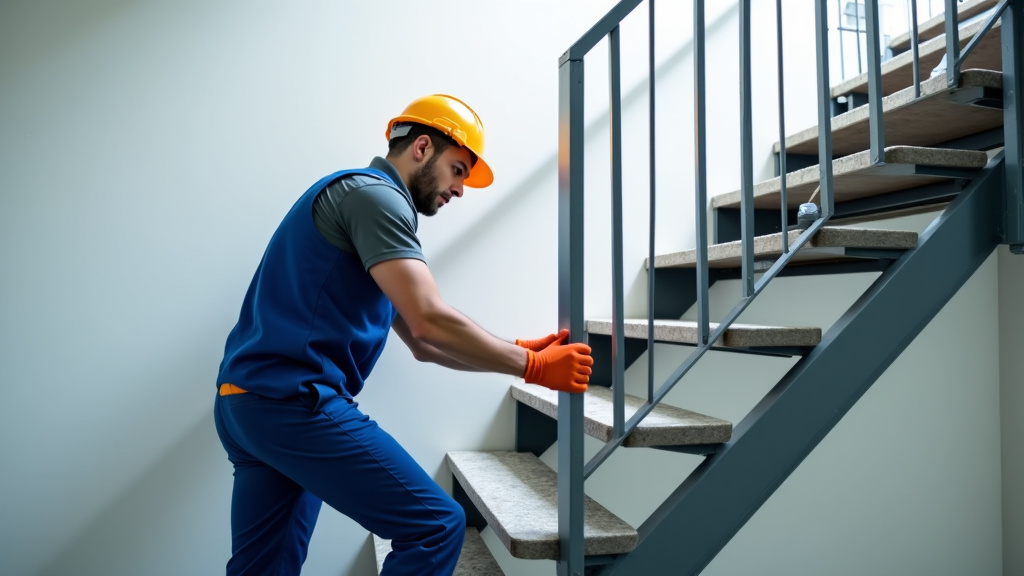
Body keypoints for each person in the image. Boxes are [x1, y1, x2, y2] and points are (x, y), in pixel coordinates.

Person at [213, 93, 593, 576]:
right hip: (293, 401)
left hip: (246, 403)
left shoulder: (354, 199)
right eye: (458, 169)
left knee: (263, 569)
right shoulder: (376, 199)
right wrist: (534, 368)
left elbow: (423, 343)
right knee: (436, 524)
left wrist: (516, 350)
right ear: (421, 147)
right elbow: (429, 320)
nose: (459, 190)